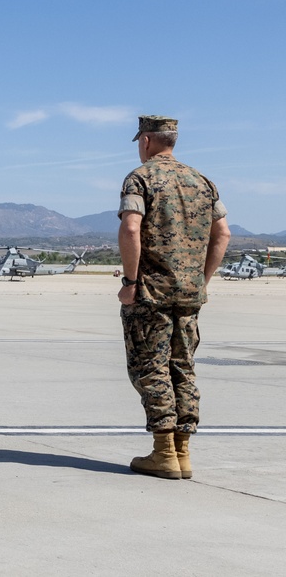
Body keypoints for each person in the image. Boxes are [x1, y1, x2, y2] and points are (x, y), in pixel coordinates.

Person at [118, 115, 230, 479]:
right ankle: (183, 453)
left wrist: (130, 282)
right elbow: (223, 234)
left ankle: (163, 452)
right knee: (183, 367)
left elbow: (131, 228)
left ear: (146, 141)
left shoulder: (141, 178)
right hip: (189, 295)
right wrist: (201, 280)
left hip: (151, 294)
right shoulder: (203, 181)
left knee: (151, 368)